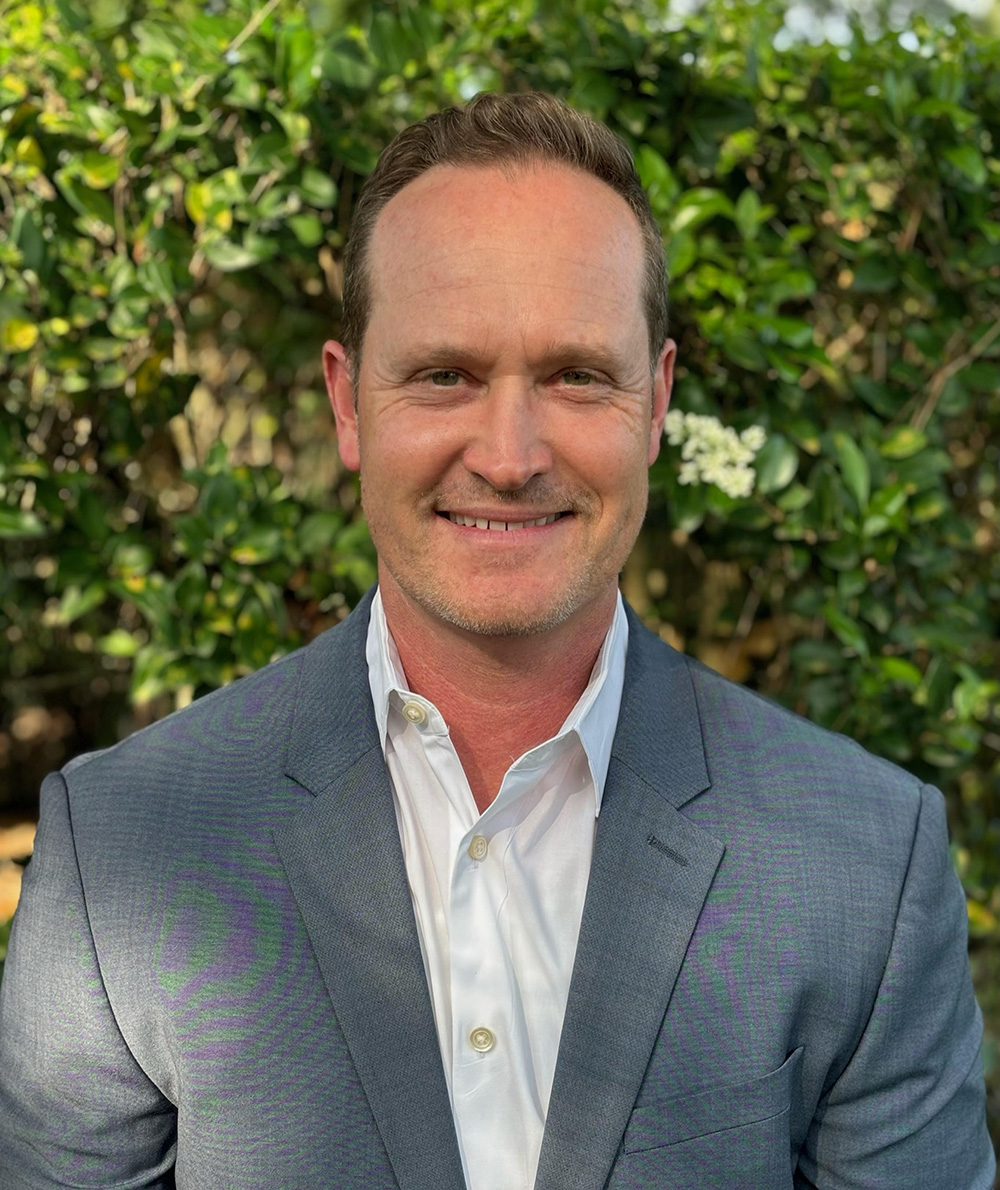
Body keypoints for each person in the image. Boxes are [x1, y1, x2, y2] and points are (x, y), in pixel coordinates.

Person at [0, 91, 993, 1190]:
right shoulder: (121, 849)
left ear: (654, 401)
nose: (510, 453)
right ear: (347, 402)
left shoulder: (865, 860)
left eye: (576, 374)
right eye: (444, 375)